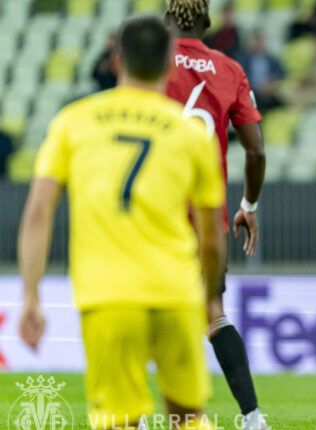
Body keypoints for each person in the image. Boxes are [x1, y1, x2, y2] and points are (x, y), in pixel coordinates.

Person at [17, 16, 224, 429]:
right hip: (176, 290)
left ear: (115, 60)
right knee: (188, 417)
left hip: (108, 295)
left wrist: (31, 296)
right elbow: (212, 234)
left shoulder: (73, 122)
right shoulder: (191, 133)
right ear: (170, 64)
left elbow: (39, 213)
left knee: (117, 419)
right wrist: (211, 295)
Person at [164, 1, 268, 429]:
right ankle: (253, 416)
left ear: (167, 19)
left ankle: (159, 416)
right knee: (213, 311)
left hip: (157, 210)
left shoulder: (150, 61)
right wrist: (248, 205)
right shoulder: (230, 69)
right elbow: (256, 150)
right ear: (208, 22)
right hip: (209, 215)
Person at [236, 32, 285, 111]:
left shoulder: (271, 58)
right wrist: (257, 87)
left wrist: (272, 81)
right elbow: (239, 77)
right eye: (256, 41)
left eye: (260, 41)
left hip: (270, 90)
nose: (258, 44)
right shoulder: (242, 59)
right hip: (252, 91)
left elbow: (281, 73)